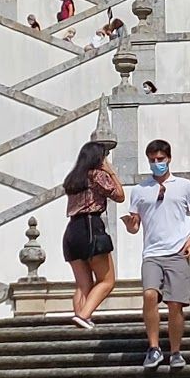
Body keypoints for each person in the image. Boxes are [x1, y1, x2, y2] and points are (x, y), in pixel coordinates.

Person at [123, 139, 190, 371]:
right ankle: (154, 347)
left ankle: (175, 351)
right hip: (152, 253)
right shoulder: (140, 190)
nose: (156, 163)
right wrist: (130, 225)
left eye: (160, 159)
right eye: (152, 160)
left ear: (168, 158)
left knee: (175, 304)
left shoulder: (184, 186)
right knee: (149, 294)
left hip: (177, 252)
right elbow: (135, 226)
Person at [62, 140, 125, 328]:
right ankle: (84, 315)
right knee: (107, 280)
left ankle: (79, 318)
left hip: (72, 231)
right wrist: (111, 171)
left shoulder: (73, 178)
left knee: (83, 284)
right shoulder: (97, 175)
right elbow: (119, 195)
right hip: (91, 227)